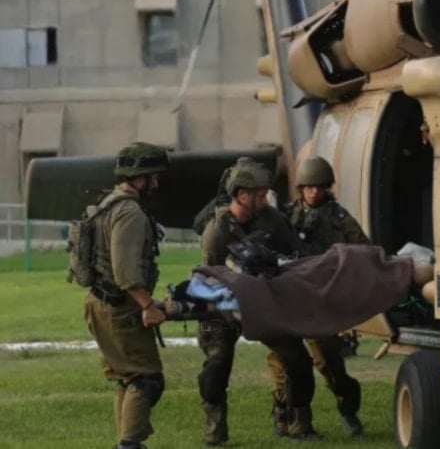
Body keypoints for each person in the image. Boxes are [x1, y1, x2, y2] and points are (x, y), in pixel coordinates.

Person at [196, 157, 317, 445]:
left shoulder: (272, 219)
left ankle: (298, 424)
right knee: (217, 365)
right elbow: (211, 278)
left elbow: (297, 253)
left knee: (298, 360)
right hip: (224, 307)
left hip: (263, 304)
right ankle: (215, 432)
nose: (266, 199)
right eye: (261, 195)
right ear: (242, 195)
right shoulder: (217, 232)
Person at [268, 156, 370, 438]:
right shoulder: (284, 217)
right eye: (309, 187)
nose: (314, 192)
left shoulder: (338, 219)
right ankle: (283, 414)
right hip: (288, 299)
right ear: (301, 188)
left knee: (329, 362)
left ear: (327, 188)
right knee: (281, 361)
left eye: (320, 187)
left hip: (321, 300)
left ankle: (348, 408)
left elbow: (363, 248)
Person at [85, 142, 170, 449]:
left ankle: (125, 442)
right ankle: (129, 446)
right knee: (146, 380)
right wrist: (147, 305)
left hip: (100, 301)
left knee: (126, 378)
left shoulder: (108, 203)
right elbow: (125, 271)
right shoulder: (129, 212)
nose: (155, 183)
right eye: (152, 177)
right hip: (120, 308)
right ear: (138, 178)